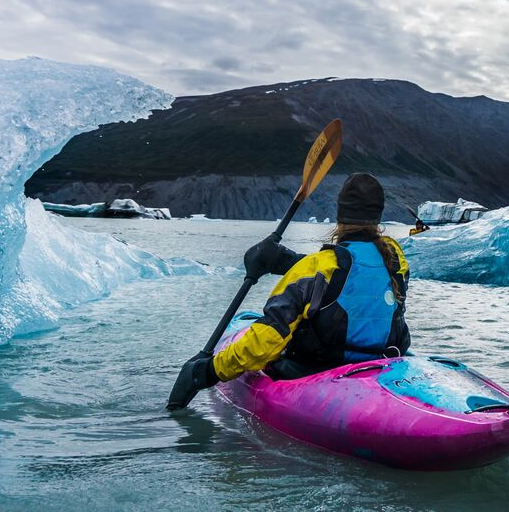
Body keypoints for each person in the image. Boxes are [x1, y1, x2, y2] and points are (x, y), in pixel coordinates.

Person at [168, 173, 409, 406]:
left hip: (319, 372)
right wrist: (286, 261)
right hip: (379, 365)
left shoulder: (316, 268)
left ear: (340, 215)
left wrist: (209, 370)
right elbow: (356, 273)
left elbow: (266, 342)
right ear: (378, 216)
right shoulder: (395, 259)